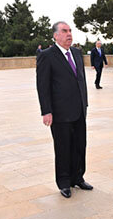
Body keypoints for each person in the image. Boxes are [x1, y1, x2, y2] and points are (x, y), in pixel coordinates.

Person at [36, 21, 92, 198]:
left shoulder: (76, 53)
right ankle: (64, 182)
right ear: (55, 35)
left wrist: (85, 103)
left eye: (70, 31)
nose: (69, 34)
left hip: (79, 110)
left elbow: (80, 80)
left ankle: (78, 177)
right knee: (63, 148)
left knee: (79, 146)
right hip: (60, 113)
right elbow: (42, 86)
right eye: (64, 31)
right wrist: (46, 111)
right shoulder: (47, 55)